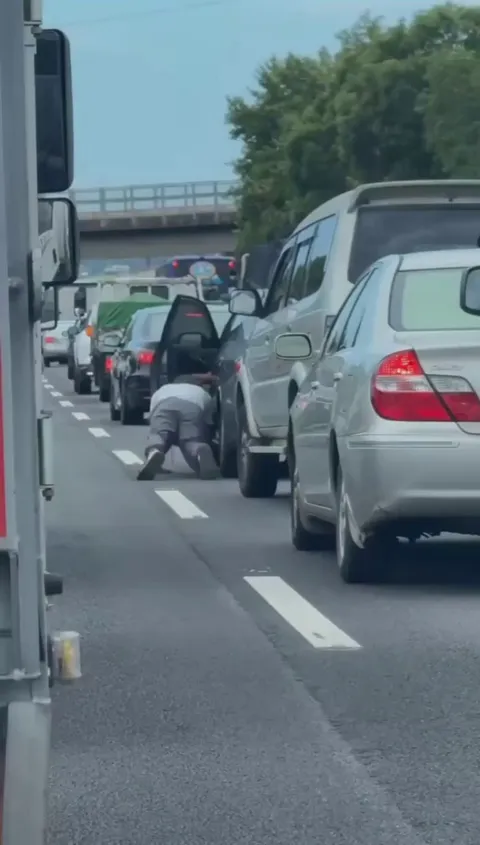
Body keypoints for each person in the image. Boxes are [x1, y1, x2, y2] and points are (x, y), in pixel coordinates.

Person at [137, 373, 219, 481]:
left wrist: (170, 438)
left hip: (164, 404)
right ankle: (199, 450)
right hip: (192, 407)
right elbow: (208, 422)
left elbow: (152, 418)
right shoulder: (202, 393)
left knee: (159, 435)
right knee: (190, 441)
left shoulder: (163, 389)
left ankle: (154, 451)